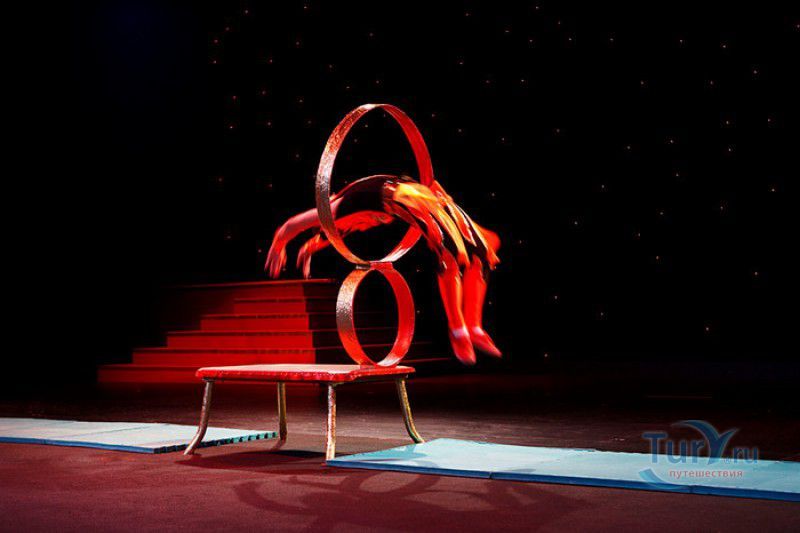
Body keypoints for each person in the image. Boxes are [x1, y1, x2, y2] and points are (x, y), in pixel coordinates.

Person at [265, 174, 501, 365]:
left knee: (481, 249)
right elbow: (332, 235)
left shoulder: (340, 207)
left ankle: (472, 326)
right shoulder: (352, 218)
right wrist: (308, 250)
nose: (366, 226)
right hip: (420, 202)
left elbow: (294, 224)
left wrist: (279, 242)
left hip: (422, 199)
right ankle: (460, 330)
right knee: (452, 251)